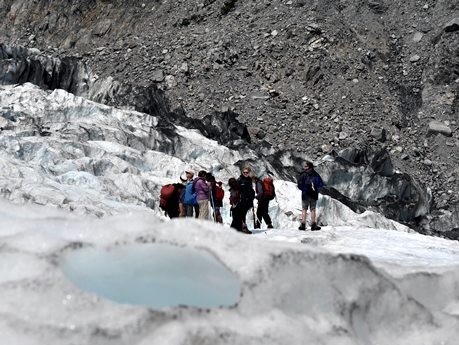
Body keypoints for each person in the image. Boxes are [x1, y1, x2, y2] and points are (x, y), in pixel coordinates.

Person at [297, 161, 324, 231]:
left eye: (306, 166)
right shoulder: (316, 174)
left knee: (304, 209)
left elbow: (299, 184)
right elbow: (321, 184)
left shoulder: (303, 174)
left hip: (305, 194)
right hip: (314, 194)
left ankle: (303, 224)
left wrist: (304, 189)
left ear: (309, 167)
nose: (305, 167)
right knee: (313, 209)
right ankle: (313, 224)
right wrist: (315, 188)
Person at [236, 166, 255, 231]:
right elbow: (237, 190)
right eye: (244, 172)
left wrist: (251, 199)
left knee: (244, 213)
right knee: (242, 214)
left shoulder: (249, 180)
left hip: (248, 200)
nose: (245, 174)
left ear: (249, 172)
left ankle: (242, 227)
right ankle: (243, 227)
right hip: (242, 200)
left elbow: (250, 190)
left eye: (247, 172)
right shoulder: (239, 180)